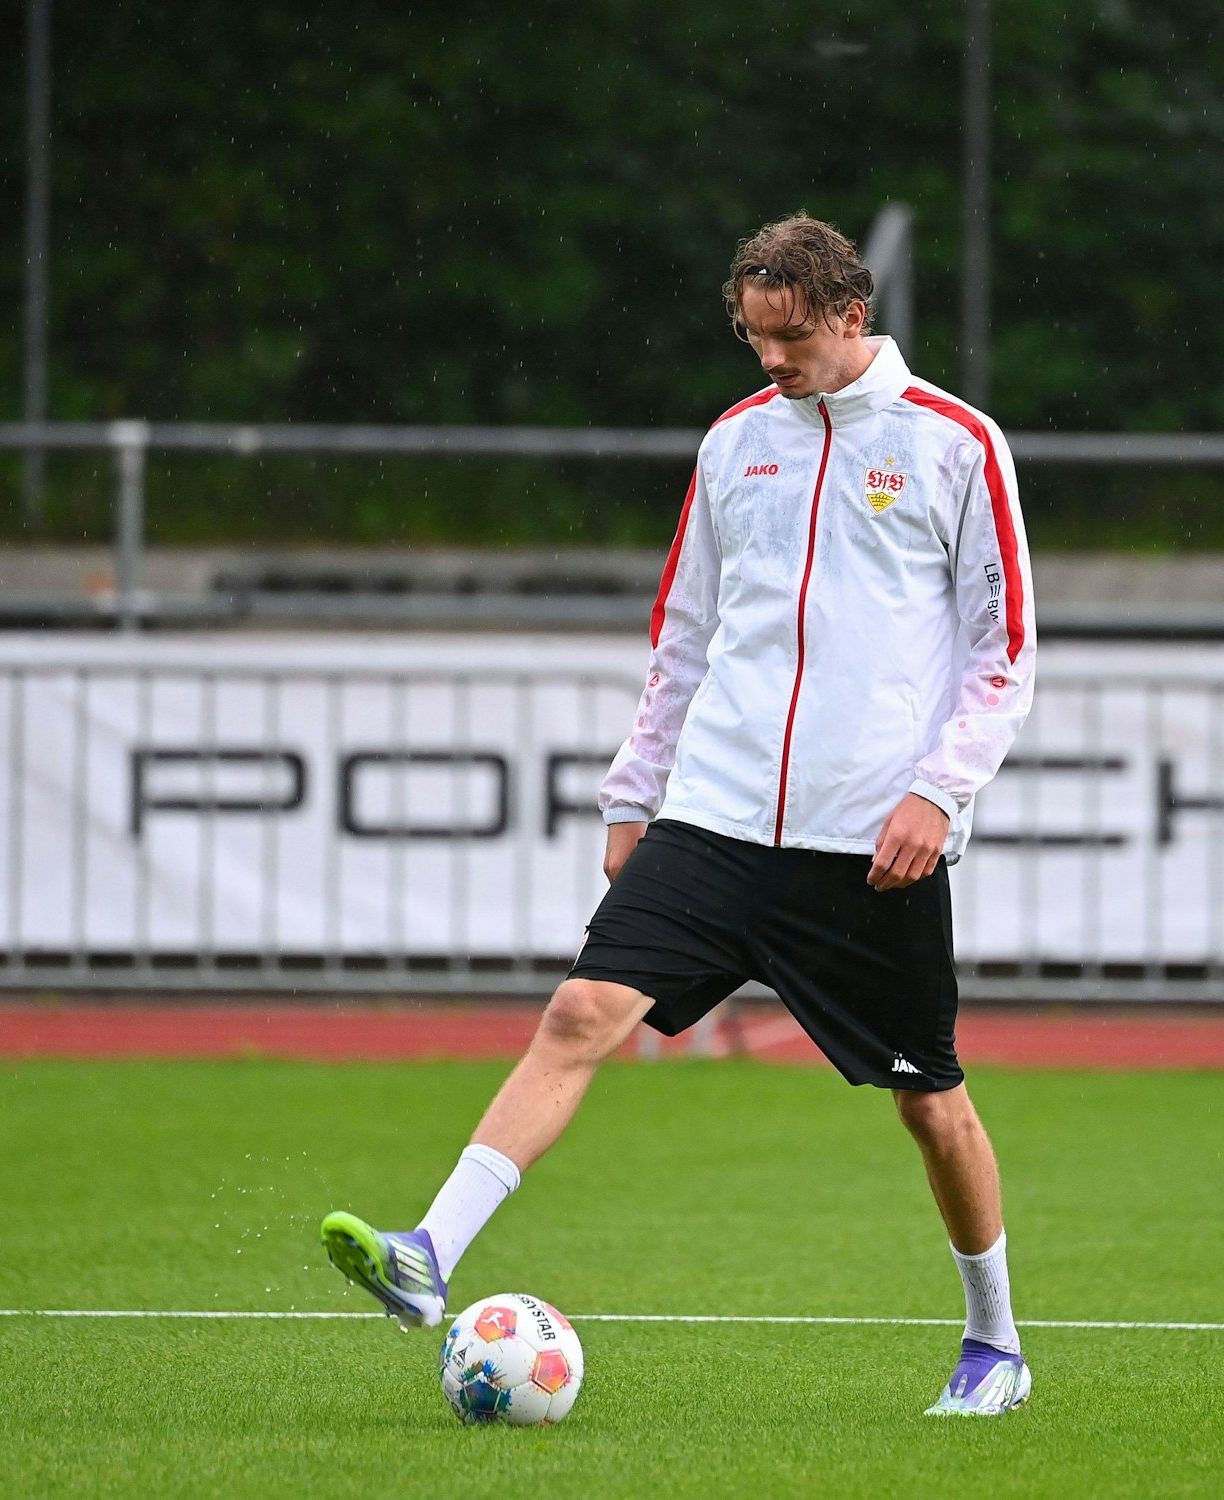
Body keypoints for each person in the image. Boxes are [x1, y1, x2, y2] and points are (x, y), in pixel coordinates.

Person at [321, 214, 1037, 1416]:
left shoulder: (955, 444)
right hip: (711, 815)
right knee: (580, 1010)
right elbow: (683, 639)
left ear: (849, 316)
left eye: (788, 336)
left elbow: (1002, 654)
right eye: (751, 336)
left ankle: (993, 1343)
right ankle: (427, 1255)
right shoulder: (733, 446)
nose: (768, 359)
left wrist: (937, 789)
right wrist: (631, 795)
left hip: (866, 845)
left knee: (929, 1100)